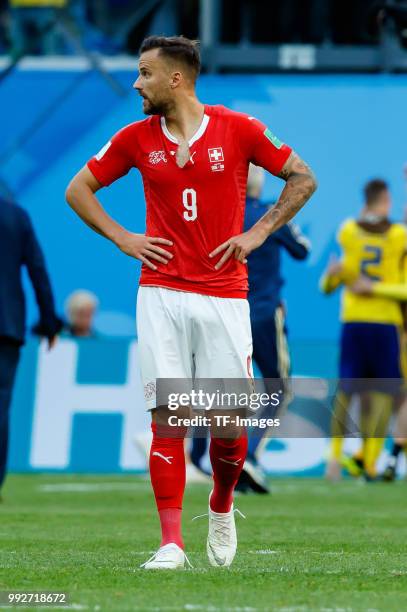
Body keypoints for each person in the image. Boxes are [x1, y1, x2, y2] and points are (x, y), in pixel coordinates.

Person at [66, 35, 317, 570]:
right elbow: (79, 189)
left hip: (225, 296)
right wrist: (123, 237)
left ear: (175, 79)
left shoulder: (240, 129)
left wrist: (258, 233)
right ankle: (171, 544)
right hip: (159, 293)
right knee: (168, 417)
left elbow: (303, 177)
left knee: (229, 427)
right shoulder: (134, 138)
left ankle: (222, 505)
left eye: (144, 73)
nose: (136, 83)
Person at [321, 179, 406, 481]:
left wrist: (335, 279)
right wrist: (379, 289)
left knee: (347, 390)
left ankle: (334, 458)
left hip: (354, 319)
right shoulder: (398, 236)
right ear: (386, 201)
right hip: (384, 323)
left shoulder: (349, 231)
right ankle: (369, 461)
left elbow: (328, 284)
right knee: (385, 394)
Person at [237, 164, 311, 493]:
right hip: (265, 312)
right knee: (278, 389)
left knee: (226, 390)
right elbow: (302, 249)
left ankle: (214, 459)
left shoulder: (223, 214)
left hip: (228, 312)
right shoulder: (270, 214)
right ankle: (248, 455)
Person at [0, 196, 61, 497]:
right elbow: (38, 270)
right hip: (6, 326)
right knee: (0, 407)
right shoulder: (16, 215)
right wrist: (49, 322)